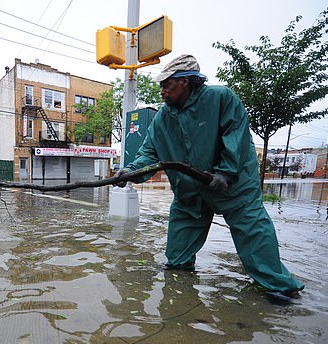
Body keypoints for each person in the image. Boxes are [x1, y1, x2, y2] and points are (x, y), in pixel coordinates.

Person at [115, 54, 304, 297]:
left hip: (234, 187)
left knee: (255, 237)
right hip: (189, 192)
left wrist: (225, 173)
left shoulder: (221, 98)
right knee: (176, 258)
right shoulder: (163, 118)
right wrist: (131, 172)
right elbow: (149, 153)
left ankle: (281, 291)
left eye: (166, 84)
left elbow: (235, 137)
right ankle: (180, 293)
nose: (161, 91)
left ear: (185, 81)